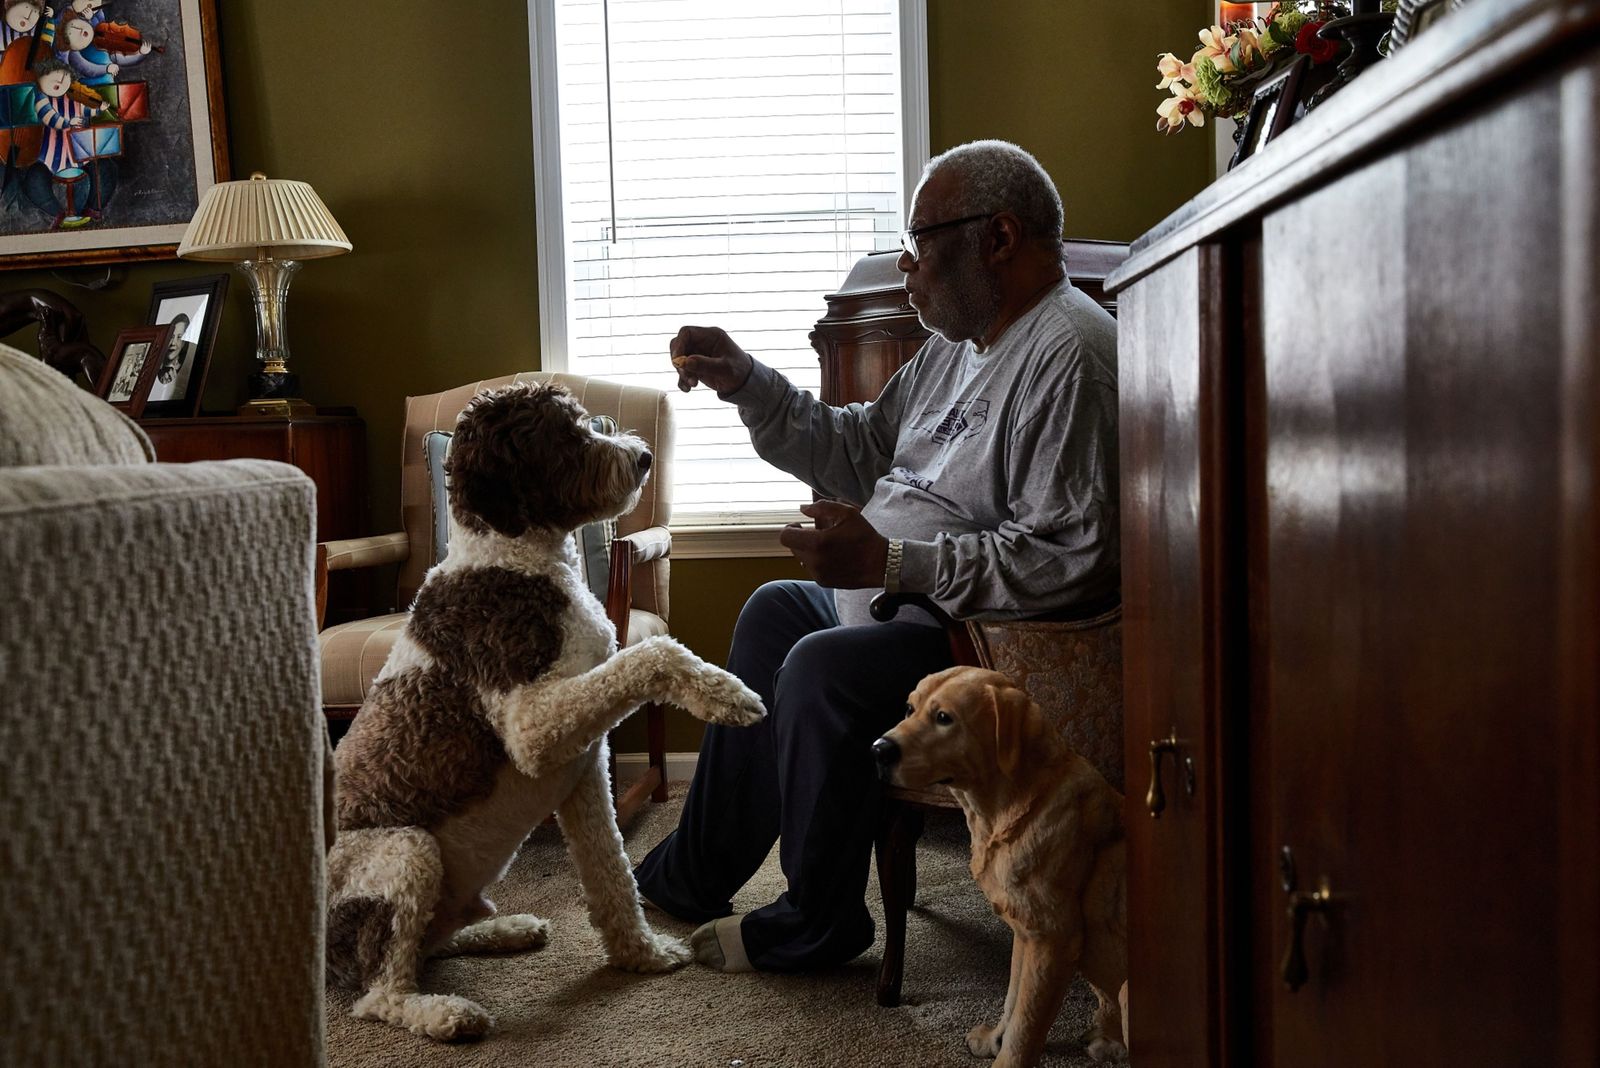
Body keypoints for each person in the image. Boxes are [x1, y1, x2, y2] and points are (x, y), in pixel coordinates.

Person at [632, 140, 1121, 974]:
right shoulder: (956, 346)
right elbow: (855, 450)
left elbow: (1063, 556)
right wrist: (747, 379)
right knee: (772, 611)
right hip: (898, 598)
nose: (907, 270)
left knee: (821, 666)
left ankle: (817, 920)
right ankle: (693, 873)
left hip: (986, 641)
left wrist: (896, 565)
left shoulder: (1068, 355)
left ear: (997, 239)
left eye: (920, 245)